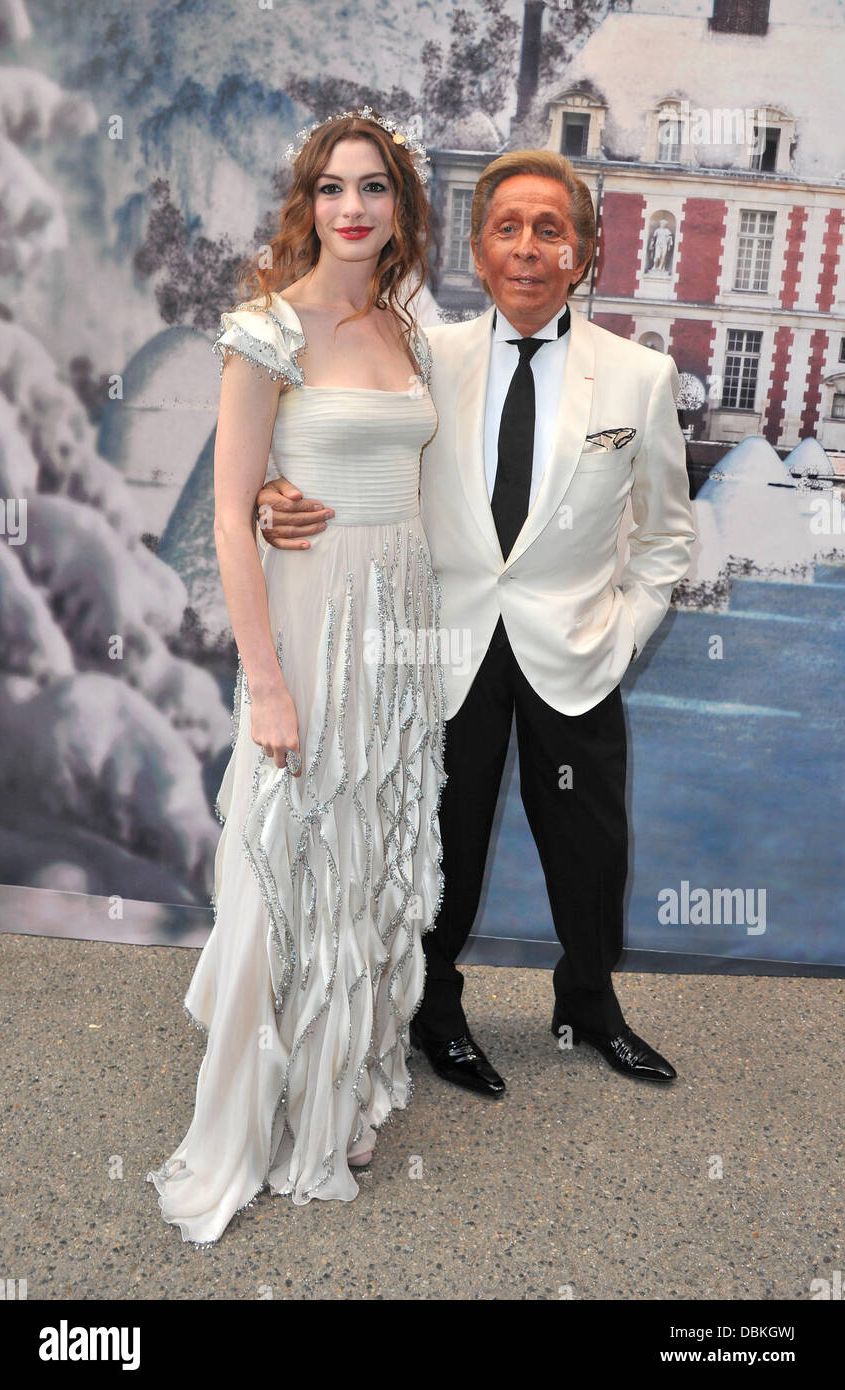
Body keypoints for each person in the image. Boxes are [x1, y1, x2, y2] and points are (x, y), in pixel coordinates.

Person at [257, 149, 697, 1099]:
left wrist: (623, 631)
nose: (529, 249)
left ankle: (588, 1002)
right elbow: (341, 453)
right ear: (478, 247)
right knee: (439, 840)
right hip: (443, 647)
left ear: (585, 252)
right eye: (509, 228)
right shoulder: (426, 355)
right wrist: (271, 491)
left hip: (576, 651)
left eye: (551, 230)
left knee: (590, 848)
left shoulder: (640, 376)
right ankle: (437, 1010)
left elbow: (666, 537)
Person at [146, 110, 445, 1246]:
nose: (353, 208)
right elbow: (231, 517)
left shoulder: (407, 332)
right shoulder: (264, 327)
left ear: (400, 209)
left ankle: (341, 1083)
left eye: (373, 188)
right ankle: (254, 1112)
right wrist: (264, 681)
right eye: (332, 189)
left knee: (370, 856)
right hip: (310, 628)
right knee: (288, 860)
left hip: (398, 630)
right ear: (306, 204)